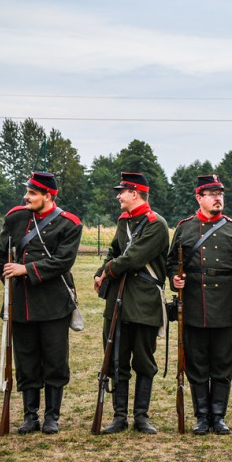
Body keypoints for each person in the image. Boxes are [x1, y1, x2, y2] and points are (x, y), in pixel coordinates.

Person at [0, 172, 82, 434]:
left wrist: (26, 270)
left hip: (53, 302)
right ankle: (30, 416)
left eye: (33, 193)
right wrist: (9, 276)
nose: (27, 197)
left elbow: (63, 261)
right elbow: (2, 256)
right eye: (28, 192)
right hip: (21, 302)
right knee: (26, 360)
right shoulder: (15, 218)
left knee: (55, 361)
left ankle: (52, 417)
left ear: (48, 196)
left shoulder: (69, 224)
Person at [168, 174, 232, 434]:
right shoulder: (185, 227)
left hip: (225, 306)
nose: (218, 198)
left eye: (220, 194)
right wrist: (175, 278)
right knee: (197, 363)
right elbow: (171, 262)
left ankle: (219, 415)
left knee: (223, 363)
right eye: (212, 194)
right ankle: (202, 416)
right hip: (194, 305)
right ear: (199, 197)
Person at [93, 172, 169, 434]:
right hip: (118, 300)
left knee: (145, 361)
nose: (118, 196)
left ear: (134, 194)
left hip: (145, 301)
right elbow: (115, 251)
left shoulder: (155, 224)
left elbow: (134, 258)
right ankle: (119, 416)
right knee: (116, 359)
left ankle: (141, 416)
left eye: (122, 191)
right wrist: (100, 270)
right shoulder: (124, 222)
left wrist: (108, 270)